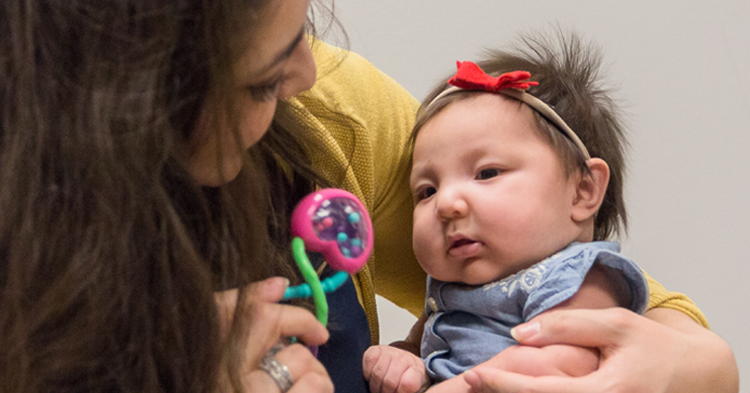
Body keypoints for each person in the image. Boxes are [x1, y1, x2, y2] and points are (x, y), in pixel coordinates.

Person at [0, 1, 737, 392]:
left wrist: (692, 367)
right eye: (260, 81)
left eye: (306, 27)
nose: (306, 77)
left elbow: (665, 329)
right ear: (119, 102)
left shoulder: (331, 117)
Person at [362, 33, 739, 393]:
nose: (446, 204)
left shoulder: (575, 281)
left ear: (583, 191)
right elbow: (428, 351)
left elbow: (564, 366)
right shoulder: (448, 293)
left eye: (487, 173)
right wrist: (402, 358)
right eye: (426, 191)